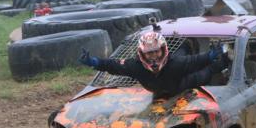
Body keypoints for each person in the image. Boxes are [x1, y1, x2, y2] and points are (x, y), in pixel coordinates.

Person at [79, 31, 228, 98]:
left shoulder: (176, 63)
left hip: (183, 83)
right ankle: (186, 45)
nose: (154, 56)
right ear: (142, 54)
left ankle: (190, 44)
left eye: (156, 51)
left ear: (163, 50)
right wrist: (94, 62)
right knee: (181, 57)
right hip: (160, 88)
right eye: (149, 53)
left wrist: (211, 56)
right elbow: (113, 65)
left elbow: (196, 61)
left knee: (204, 72)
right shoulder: (134, 66)